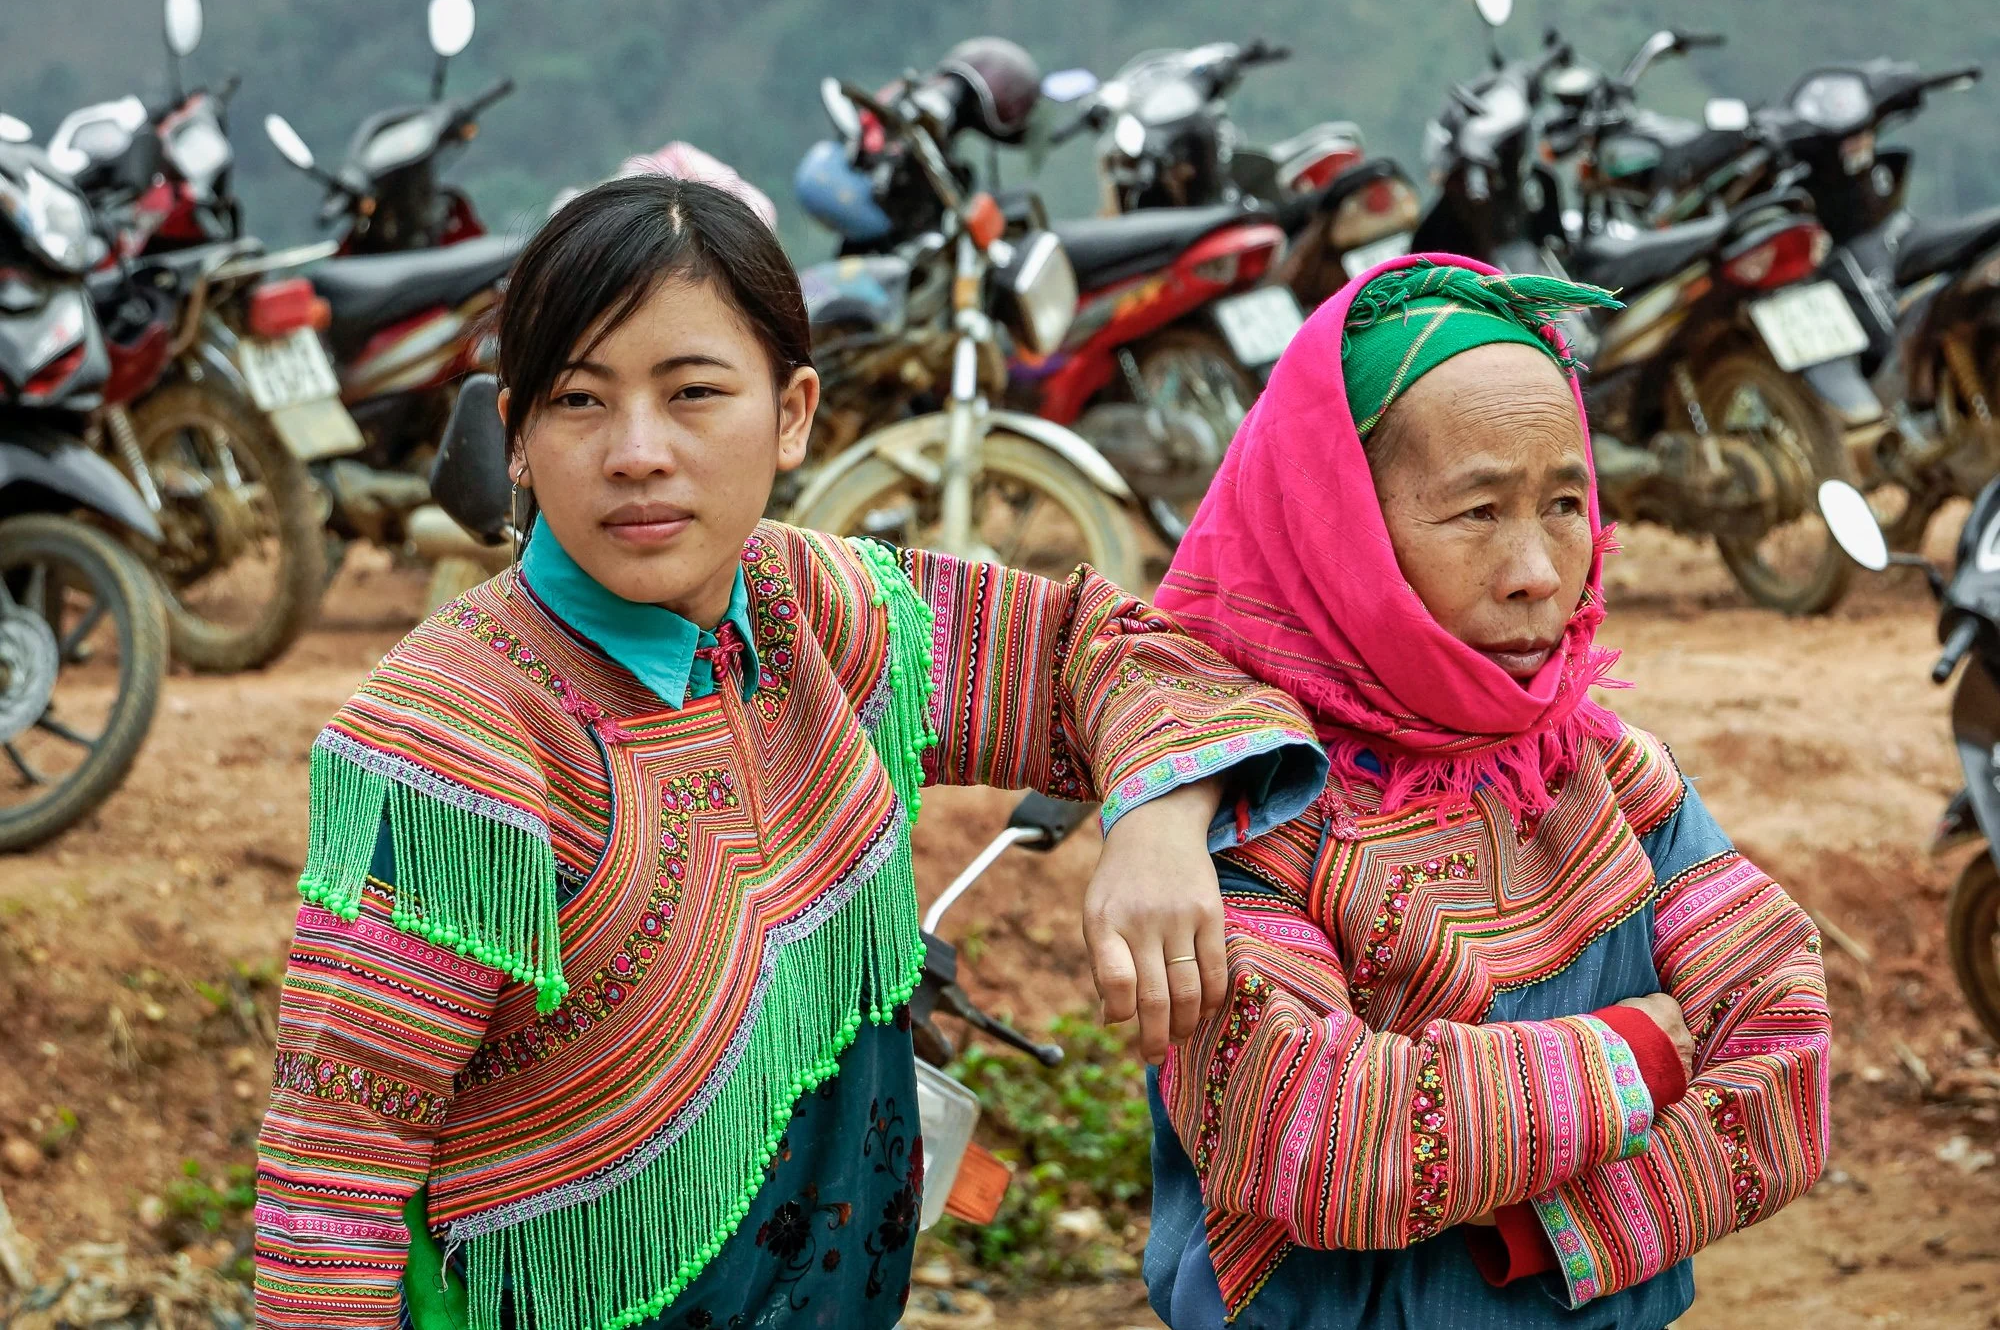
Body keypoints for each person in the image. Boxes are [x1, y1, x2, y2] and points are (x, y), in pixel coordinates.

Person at [252, 175, 1328, 1330]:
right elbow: (337, 1168)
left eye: (694, 391)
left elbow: (1098, 648)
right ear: (514, 436)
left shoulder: (812, 602)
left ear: (793, 411)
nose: (636, 452)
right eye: (577, 399)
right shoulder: (450, 736)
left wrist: (1157, 817)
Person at [1144, 255, 1832, 1328]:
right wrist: (1639, 1052)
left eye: (1563, 502)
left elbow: (1783, 1045)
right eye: (1473, 512)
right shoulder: (1245, 818)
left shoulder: (1613, 779)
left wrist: (1540, 1224)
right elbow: (1312, 1136)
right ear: (1335, 526)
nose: (1538, 572)